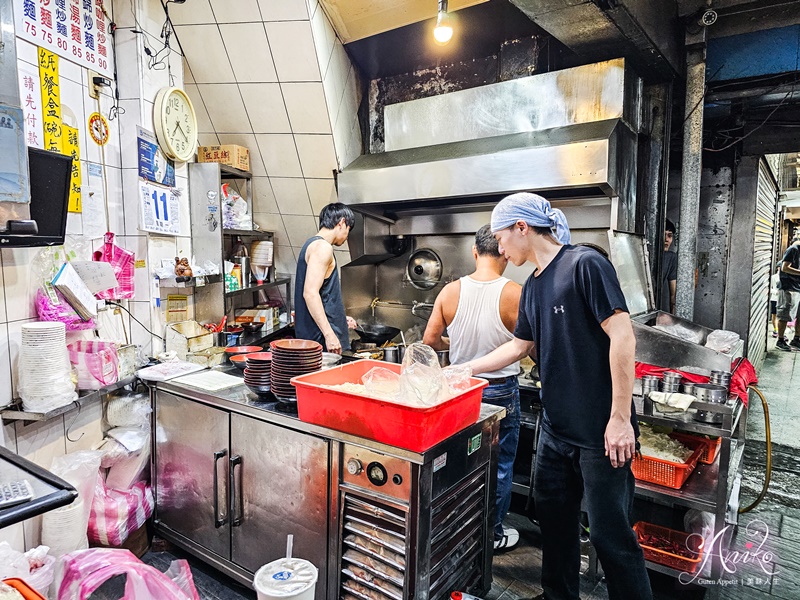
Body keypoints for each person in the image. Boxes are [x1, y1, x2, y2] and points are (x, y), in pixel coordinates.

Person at [465, 193, 652, 600]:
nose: (498, 248)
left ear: (522, 228)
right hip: (555, 430)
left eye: (501, 237)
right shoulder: (531, 285)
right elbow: (518, 347)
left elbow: (623, 336)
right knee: (554, 523)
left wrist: (620, 418)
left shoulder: (584, 264)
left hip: (600, 432)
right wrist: (466, 369)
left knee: (610, 537)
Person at [423, 224, 523, 551]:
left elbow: (429, 341)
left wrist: (457, 346)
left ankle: (458, 528)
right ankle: (490, 535)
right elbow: (530, 346)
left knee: (461, 463)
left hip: (461, 391)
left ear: (474, 251)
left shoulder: (450, 291)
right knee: (499, 465)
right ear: (504, 254)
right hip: (501, 390)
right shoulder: (514, 293)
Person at [294, 203, 358, 353]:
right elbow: (310, 294)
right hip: (320, 341)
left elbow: (324, 294)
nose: (347, 236)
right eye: (348, 230)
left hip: (317, 337)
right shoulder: (323, 248)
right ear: (342, 223)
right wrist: (330, 335)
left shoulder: (312, 244)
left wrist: (340, 318)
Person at [776, 232, 800, 352]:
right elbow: (785, 267)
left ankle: (797, 339)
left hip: (798, 287)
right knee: (785, 314)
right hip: (788, 287)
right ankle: (780, 340)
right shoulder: (793, 250)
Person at [660, 219, 678, 313]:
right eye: (663, 235)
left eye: (670, 236)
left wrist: (673, 320)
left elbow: (673, 295)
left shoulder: (671, 257)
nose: (666, 239)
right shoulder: (643, 253)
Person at [770, 262, 781, 338]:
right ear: (778, 268)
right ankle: (775, 330)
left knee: (782, 316)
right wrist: (775, 292)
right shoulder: (773, 277)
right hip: (774, 298)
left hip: (783, 299)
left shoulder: (787, 277)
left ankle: (781, 332)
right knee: (774, 315)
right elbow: (769, 288)